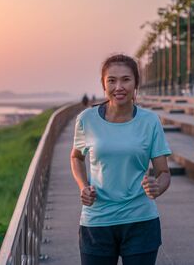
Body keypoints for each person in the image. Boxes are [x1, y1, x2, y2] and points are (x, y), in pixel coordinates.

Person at [70, 54, 172, 265]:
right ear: (103, 84)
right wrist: (83, 186)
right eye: (112, 80)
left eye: (126, 79)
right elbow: (76, 157)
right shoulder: (86, 119)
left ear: (136, 84)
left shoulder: (150, 121)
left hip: (140, 220)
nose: (119, 86)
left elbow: (164, 173)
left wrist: (157, 187)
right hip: (97, 220)